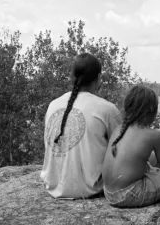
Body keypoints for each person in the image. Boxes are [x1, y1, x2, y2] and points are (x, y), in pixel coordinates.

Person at [41, 53, 122, 199]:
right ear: (98, 78)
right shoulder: (107, 109)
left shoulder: (53, 105)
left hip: (52, 186)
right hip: (91, 188)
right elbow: (121, 149)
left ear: (72, 77)